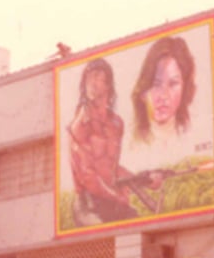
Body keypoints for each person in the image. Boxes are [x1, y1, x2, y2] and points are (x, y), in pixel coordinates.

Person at [67, 57, 138, 226]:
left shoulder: (116, 124)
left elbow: (111, 168)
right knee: (102, 233)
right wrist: (118, 197)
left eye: (97, 77)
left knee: (138, 227)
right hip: (89, 205)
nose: (91, 83)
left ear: (108, 84)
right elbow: (89, 177)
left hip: (111, 201)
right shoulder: (79, 125)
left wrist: (146, 180)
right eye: (88, 78)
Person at [123, 34, 199, 173]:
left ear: (185, 88)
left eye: (173, 83)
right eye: (155, 84)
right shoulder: (130, 146)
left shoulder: (191, 139)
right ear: (143, 92)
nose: (163, 96)